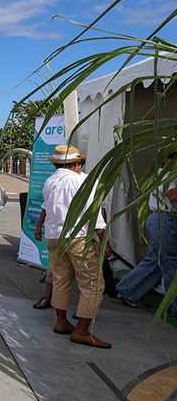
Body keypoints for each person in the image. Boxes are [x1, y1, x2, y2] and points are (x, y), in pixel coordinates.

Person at [34, 145, 111, 349]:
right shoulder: (81, 180)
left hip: (54, 236)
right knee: (92, 284)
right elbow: (94, 212)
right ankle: (82, 331)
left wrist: (40, 226)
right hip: (77, 237)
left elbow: (47, 208)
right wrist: (104, 240)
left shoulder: (50, 181)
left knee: (60, 280)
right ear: (77, 164)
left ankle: (61, 322)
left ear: (56, 164)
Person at [114, 153, 177, 314]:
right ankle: (175, 307)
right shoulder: (167, 174)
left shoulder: (162, 173)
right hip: (165, 220)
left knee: (155, 260)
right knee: (171, 263)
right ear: (167, 160)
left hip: (160, 220)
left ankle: (127, 290)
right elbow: (173, 195)